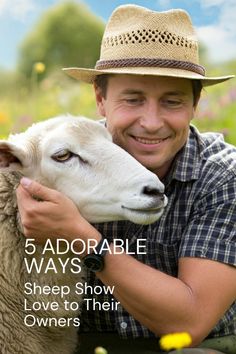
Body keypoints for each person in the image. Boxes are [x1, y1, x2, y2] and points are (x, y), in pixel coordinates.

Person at [16, 4, 236, 354]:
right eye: (133, 99)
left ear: (195, 105)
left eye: (172, 101)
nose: (151, 122)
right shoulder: (58, 158)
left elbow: (190, 323)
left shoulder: (223, 177)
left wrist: (84, 239)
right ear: (101, 99)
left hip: (187, 346)